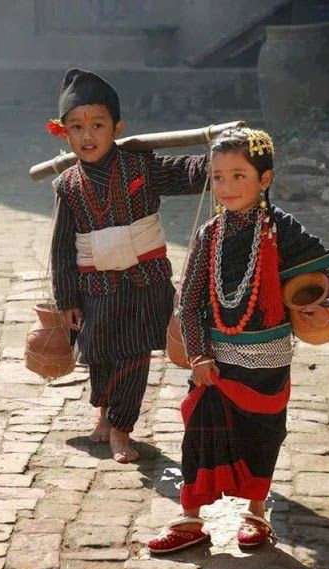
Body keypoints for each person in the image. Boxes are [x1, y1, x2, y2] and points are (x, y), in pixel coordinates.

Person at [147, 126, 329, 553]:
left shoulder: (282, 230)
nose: (227, 186)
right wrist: (199, 355)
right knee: (200, 435)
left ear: (266, 179)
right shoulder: (208, 235)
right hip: (215, 363)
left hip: (269, 361)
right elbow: (194, 303)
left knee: (262, 435)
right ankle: (190, 517)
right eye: (218, 177)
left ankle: (255, 513)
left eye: (239, 175)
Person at [49, 68, 208, 464]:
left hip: (144, 282)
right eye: (77, 127)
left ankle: (122, 427)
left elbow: (186, 172)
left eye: (98, 125)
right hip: (95, 286)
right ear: (63, 133)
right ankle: (103, 414)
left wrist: (218, 162)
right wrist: (66, 298)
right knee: (99, 352)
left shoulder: (141, 167)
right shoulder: (67, 185)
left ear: (117, 127)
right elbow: (61, 248)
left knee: (133, 354)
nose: (88, 136)